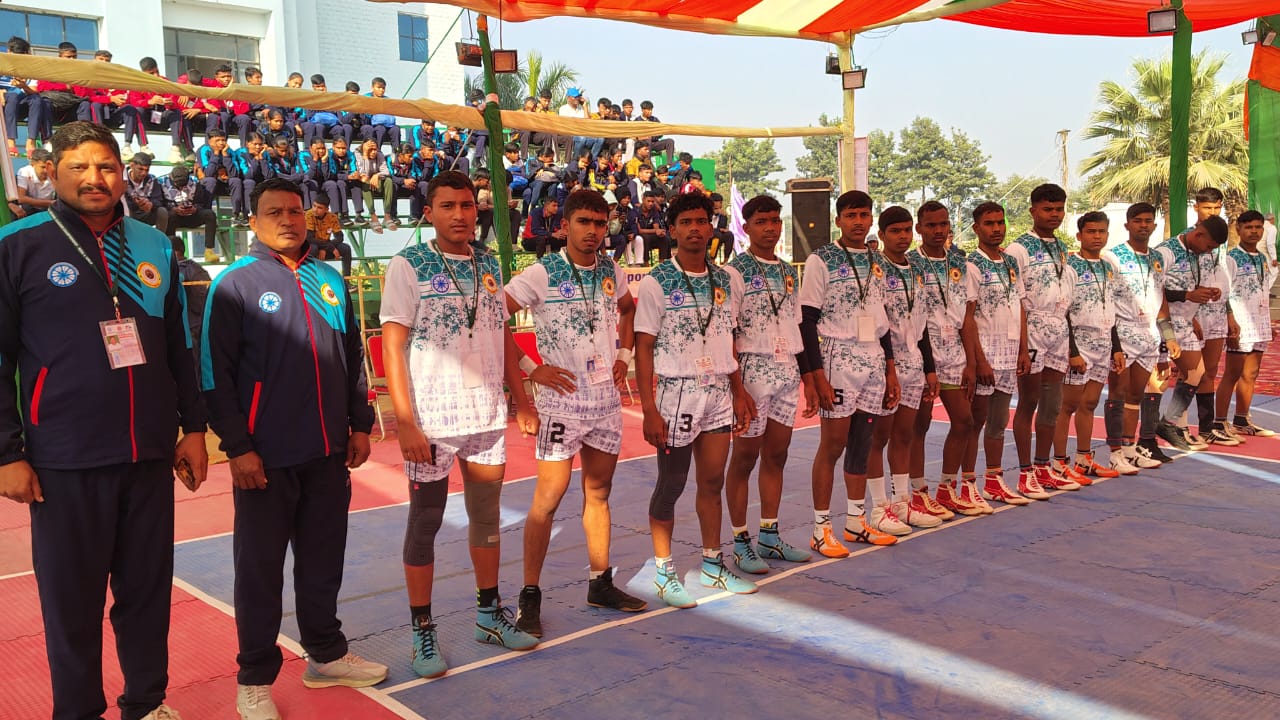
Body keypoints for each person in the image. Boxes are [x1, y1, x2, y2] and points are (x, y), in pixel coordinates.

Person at [0, 121, 208, 720]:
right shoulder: (18, 245)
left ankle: (146, 703)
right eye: (79, 167)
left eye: (106, 167)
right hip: (64, 459)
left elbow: (180, 343)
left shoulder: (154, 245)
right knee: (72, 602)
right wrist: (7, 452)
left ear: (123, 173)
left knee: (146, 594)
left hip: (147, 454)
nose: (95, 178)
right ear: (52, 172)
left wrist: (194, 428)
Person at [202, 178, 385, 719]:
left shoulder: (329, 278)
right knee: (259, 572)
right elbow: (214, 373)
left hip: (327, 451)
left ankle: (325, 655)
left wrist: (359, 425)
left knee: (323, 561)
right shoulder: (234, 283)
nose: (287, 220)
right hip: (265, 456)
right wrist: (238, 447)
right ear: (253, 222)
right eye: (274, 212)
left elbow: (352, 358)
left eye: (295, 211)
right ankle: (254, 678)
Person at [380, 171, 541, 679]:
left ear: (478, 210)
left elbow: (501, 335)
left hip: (485, 417)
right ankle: (422, 630)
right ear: (428, 212)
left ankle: (489, 615)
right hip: (432, 419)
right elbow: (391, 345)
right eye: (447, 206)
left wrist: (521, 400)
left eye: (467, 205)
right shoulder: (408, 265)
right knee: (425, 523)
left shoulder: (489, 264)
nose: (459, 214)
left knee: (486, 518)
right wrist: (406, 421)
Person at [503, 189, 646, 637]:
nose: (593, 231)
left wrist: (624, 354)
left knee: (598, 494)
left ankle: (600, 583)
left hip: (604, 401)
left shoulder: (611, 269)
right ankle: (529, 595)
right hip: (561, 402)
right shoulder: (541, 273)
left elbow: (628, 310)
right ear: (565, 226)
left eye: (600, 224)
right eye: (584, 222)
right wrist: (531, 370)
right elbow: (493, 318)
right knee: (548, 499)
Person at [634, 191, 758, 607]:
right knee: (671, 484)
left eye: (701, 221)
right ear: (672, 230)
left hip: (718, 392)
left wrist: (739, 391)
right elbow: (644, 347)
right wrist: (649, 408)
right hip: (677, 393)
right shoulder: (657, 281)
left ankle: (712, 564)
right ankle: (664, 571)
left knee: (712, 481)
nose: (694, 229)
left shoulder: (727, 279)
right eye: (685, 222)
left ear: (711, 227)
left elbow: (728, 338)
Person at [800, 190, 901, 558]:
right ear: (838, 219)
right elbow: (807, 320)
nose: (859, 221)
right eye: (851, 215)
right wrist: (816, 375)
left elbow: (883, 319)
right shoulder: (821, 259)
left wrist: (890, 368)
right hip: (838, 356)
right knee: (833, 444)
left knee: (863, 442)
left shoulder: (878, 261)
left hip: (873, 358)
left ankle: (856, 522)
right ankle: (820, 529)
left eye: (864, 215)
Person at [721, 194, 815, 574]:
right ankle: (740, 541)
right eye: (762, 222)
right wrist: (737, 389)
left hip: (786, 370)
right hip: (752, 370)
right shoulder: (734, 271)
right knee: (744, 459)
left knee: (777, 455)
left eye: (775, 221)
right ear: (746, 227)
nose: (771, 228)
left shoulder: (789, 271)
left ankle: (770, 536)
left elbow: (797, 326)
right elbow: (726, 330)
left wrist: (807, 379)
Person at [863, 206, 943, 535]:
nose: (903, 236)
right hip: (887, 363)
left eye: (907, 230)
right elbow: (878, 324)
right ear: (882, 235)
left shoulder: (918, 269)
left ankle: (901, 503)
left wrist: (930, 368)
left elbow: (922, 324)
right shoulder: (874, 269)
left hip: (914, 362)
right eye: (895, 231)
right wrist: (888, 368)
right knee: (878, 437)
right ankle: (878, 507)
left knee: (904, 435)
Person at [1004, 183, 1081, 492]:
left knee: (1052, 405)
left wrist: (1071, 344)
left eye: (1059, 209)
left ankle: (1042, 467)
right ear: (1033, 210)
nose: (1054, 215)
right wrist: (1022, 345)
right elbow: (1014, 299)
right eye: (1048, 209)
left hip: (1057, 331)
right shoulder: (1018, 249)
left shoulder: (1061, 247)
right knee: (1029, 402)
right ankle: (1025, 474)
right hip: (1032, 329)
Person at [907, 201, 976, 517]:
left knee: (964, 421)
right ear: (919, 228)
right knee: (919, 426)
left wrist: (972, 362)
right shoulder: (910, 264)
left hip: (954, 355)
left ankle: (947, 489)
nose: (938, 230)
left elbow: (968, 317)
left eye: (943, 224)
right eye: (931, 225)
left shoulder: (960, 263)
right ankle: (917, 492)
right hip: (923, 355)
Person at [964, 202, 1035, 506]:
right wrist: (979, 360)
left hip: (1009, 351)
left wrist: (1023, 349)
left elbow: (1020, 306)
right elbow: (968, 317)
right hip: (985, 352)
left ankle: (993, 480)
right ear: (976, 228)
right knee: (975, 421)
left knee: (998, 420)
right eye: (989, 223)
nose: (996, 229)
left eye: (1000, 222)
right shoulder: (971, 265)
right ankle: (966, 484)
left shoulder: (1010, 262)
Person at [1101, 203, 1177, 472]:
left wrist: (1168, 337)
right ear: (1127, 224)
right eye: (1138, 220)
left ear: (1154, 225)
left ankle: (1130, 449)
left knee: (1136, 394)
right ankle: (1114, 453)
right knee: (1118, 392)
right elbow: (1106, 298)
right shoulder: (1112, 256)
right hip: (1122, 332)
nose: (1143, 225)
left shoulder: (1158, 258)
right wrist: (1113, 341)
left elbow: (1161, 299)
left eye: (1148, 221)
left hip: (1149, 334)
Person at [1051, 213, 1124, 482]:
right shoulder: (1069, 266)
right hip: (1079, 343)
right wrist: (1072, 351)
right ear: (1079, 235)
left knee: (1090, 403)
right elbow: (1064, 310)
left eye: (1101, 231)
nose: (1097, 236)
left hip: (1103, 343)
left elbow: (1110, 308)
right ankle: (1059, 462)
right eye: (1091, 231)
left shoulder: (1108, 267)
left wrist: (1116, 347)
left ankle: (1083, 459)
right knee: (1067, 405)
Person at [1153, 215, 1230, 452]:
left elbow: (1189, 286)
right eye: (1209, 246)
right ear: (1199, 234)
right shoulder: (1166, 252)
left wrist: (1205, 293)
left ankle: (1169, 424)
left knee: (1196, 374)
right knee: (1156, 382)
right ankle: (1145, 438)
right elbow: (1153, 290)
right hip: (1163, 322)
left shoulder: (1200, 254)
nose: (1209, 251)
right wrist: (1187, 295)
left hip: (1185, 322)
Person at [1181, 189, 1238, 447]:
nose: (1212, 213)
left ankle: (1207, 428)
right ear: (1196, 207)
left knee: (1211, 370)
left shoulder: (1221, 240)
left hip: (1217, 311)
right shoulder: (1188, 239)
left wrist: (1229, 313)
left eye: (1216, 208)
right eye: (1207, 208)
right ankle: (1179, 426)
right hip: (1194, 311)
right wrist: (1188, 315)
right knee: (1191, 371)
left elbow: (1222, 279)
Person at [1214, 211, 1276, 437]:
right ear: (1238, 229)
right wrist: (1230, 320)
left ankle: (1241, 418)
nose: (1254, 231)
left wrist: (1268, 322)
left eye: (1258, 227)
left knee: (1251, 373)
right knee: (1232, 373)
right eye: (1249, 227)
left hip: (1259, 322)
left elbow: (1263, 291)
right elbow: (1223, 293)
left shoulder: (1261, 258)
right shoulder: (1231, 258)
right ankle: (1219, 422)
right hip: (1239, 323)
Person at [162, 164, 223, 264]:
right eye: (178, 185)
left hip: (192, 216)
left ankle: (209, 250)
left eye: (183, 185)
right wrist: (173, 209)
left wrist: (195, 209)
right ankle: (172, 251)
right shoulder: (162, 183)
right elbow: (160, 204)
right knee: (169, 216)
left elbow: (201, 202)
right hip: (175, 217)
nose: (181, 187)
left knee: (210, 214)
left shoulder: (195, 182)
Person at [171, 235, 209, 371]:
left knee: (194, 367)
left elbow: (202, 302)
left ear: (175, 252)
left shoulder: (193, 271)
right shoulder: (190, 269)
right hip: (186, 327)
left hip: (193, 327)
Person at [197, 128, 249, 226]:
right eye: (218, 140)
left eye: (223, 140)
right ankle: (206, 215)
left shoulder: (229, 151)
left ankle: (236, 215)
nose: (221, 143)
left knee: (236, 180)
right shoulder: (203, 150)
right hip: (210, 185)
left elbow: (234, 173)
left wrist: (225, 156)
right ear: (210, 141)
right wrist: (216, 154)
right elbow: (208, 173)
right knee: (210, 180)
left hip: (225, 184)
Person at [306, 194, 354, 278]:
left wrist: (325, 248)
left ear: (326, 209)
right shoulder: (309, 214)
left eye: (319, 208)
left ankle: (346, 280)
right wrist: (329, 247)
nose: (315, 210)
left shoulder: (332, 217)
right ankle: (311, 278)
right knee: (313, 248)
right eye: (314, 206)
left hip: (326, 247)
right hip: (313, 247)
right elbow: (309, 238)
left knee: (346, 248)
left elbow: (340, 237)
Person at [355, 138, 395, 233]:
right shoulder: (358, 154)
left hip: (377, 182)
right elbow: (363, 174)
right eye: (370, 149)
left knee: (389, 181)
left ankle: (387, 215)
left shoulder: (379, 154)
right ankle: (373, 216)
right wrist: (365, 155)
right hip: (364, 184)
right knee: (365, 182)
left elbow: (386, 171)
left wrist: (377, 175)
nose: (373, 152)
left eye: (375, 149)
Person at [124, 152, 168, 231]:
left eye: (147, 170)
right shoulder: (122, 179)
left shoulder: (152, 180)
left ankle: (160, 237)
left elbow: (159, 200)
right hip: (129, 213)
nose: (144, 173)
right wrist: (135, 204)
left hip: (146, 213)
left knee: (162, 211)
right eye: (140, 169)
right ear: (132, 165)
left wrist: (151, 204)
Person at [15, 148, 55, 215]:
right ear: (33, 164)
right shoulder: (24, 172)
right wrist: (50, 203)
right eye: (42, 167)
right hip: (30, 210)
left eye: (48, 167)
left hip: (49, 209)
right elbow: (21, 198)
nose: (46, 171)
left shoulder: (55, 172)